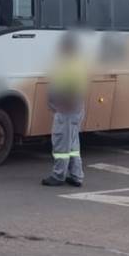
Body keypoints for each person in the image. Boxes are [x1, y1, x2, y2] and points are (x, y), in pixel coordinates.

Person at [42, 32, 88, 187]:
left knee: (61, 143)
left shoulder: (70, 65)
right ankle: (76, 175)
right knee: (73, 145)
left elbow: (75, 88)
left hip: (67, 110)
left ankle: (58, 175)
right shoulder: (75, 63)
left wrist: (65, 104)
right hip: (72, 109)